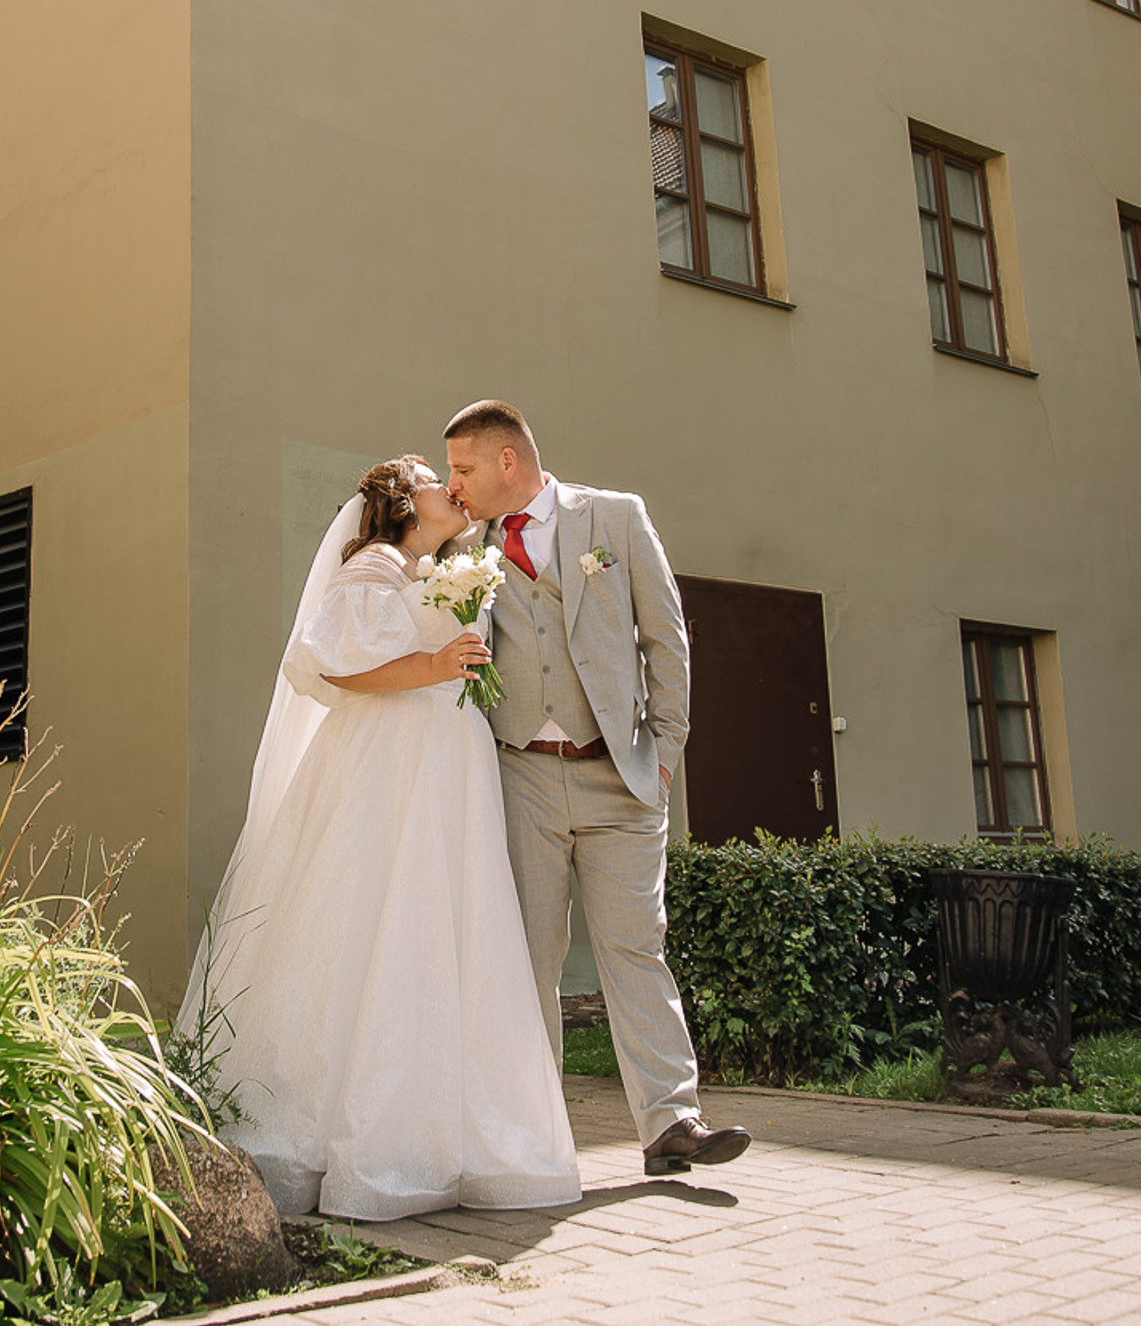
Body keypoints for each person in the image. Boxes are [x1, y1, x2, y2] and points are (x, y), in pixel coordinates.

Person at [184, 455, 580, 1221]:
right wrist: (435, 662)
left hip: (443, 762)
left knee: (442, 927)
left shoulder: (432, 567)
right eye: (438, 480)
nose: (452, 490)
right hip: (388, 770)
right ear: (404, 501)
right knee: (373, 918)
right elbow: (330, 669)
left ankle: (448, 1138)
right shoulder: (374, 565)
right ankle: (360, 1142)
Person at [442, 400, 751, 1176]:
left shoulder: (614, 519)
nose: (455, 485)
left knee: (635, 948)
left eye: (464, 469)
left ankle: (673, 1120)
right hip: (522, 774)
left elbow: (665, 638)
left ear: (507, 462)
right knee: (530, 960)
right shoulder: (464, 547)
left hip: (621, 775)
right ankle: (535, 1136)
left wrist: (666, 756)